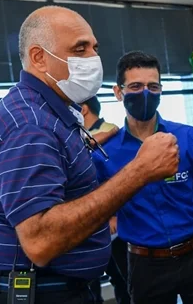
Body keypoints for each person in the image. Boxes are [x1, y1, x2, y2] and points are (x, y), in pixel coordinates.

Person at [0, 6, 180, 304]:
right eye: (79, 49)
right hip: (35, 291)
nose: (93, 59)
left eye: (94, 48)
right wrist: (140, 170)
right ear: (39, 58)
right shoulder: (30, 125)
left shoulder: (47, 112)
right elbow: (40, 241)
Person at [91, 51, 193, 304]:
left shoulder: (188, 137)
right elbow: (95, 207)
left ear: (161, 90)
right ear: (118, 92)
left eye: (153, 86)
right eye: (135, 86)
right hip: (145, 265)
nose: (145, 93)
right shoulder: (106, 154)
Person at [79, 96, 127, 304]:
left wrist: (116, 216)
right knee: (89, 285)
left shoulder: (112, 131)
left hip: (113, 227)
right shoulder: (78, 136)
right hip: (86, 225)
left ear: (83, 109)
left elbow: (121, 179)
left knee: (122, 280)